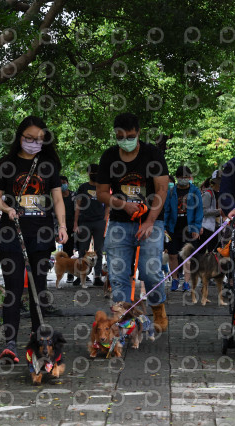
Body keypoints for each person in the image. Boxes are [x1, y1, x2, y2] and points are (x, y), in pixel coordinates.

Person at [0, 115, 68, 363]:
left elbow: (57, 199)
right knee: (13, 288)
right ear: (20, 136)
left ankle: (38, 340)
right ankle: (10, 343)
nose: (34, 143)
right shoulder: (6, 164)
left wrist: (62, 225)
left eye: (39, 139)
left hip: (41, 234)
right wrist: (7, 209)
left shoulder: (48, 165)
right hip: (11, 233)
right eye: (29, 138)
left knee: (39, 287)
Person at [96, 112, 170, 332]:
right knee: (118, 274)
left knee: (150, 271)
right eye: (120, 136)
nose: (125, 140)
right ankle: (123, 319)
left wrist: (149, 221)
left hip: (151, 221)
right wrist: (122, 204)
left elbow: (162, 190)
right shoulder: (109, 157)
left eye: (130, 136)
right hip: (119, 223)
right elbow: (101, 193)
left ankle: (158, 309)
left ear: (138, 133)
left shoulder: (152, 154)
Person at [164, 165, 203, 292]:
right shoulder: (171, 192)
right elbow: (166, 211)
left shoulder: (195, 191)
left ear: (190, 177)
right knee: (172, 255)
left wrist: (196, 228)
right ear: (177, 177)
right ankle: (175, 279)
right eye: (181, 177)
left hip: (189, 226)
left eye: (186, 177)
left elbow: (199, 211)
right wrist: (164, 227)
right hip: (173, 227)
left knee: (187, 256)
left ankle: (186, 282)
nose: (184, 179)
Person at [74, 164, 109, 287]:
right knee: (82, 250)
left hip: (99, 222)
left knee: (98, 251)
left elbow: (108, 205)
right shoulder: (83, 187)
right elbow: (78, 206)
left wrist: (105, 220)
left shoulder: (103, 188)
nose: (94, 174)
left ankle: (97, 276)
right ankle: (80, 275)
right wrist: (75, 223)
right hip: (85, 222)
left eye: (96, 172)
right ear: (88, 173)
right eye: (92, 172)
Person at [60, 175, 78, 284]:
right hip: (64, 227)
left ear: (67, 183)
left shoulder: (74, 195)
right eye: (60, 183)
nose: (62, 185)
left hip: (75, 225)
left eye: (64, 182)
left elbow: (78, 210)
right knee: (67, 250)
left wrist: (76, 224)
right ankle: (70, 274)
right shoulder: (58, 197)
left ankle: (82, 273)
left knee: (80, 248)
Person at [199, 176, 220, 252]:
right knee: (204, 252)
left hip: (216, 227)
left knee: (214, 251)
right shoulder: (208, 194)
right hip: (207, 228)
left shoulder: (220, 194)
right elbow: (204, 211)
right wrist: (218, 211)